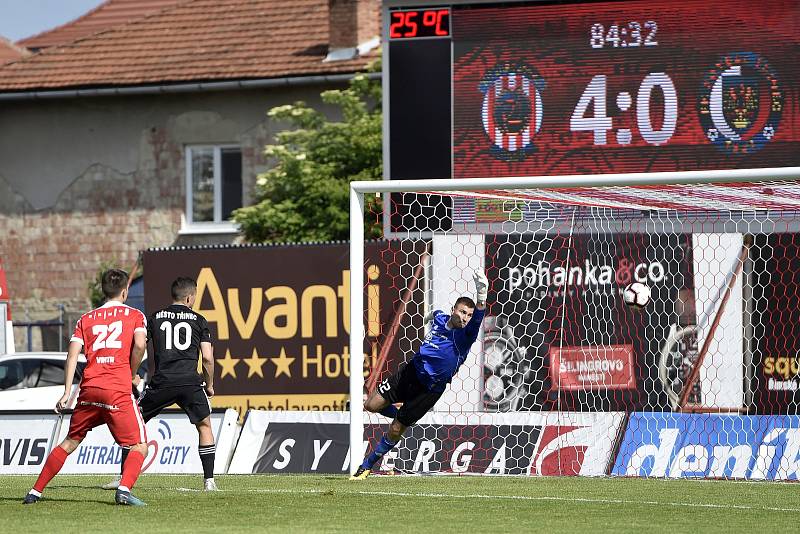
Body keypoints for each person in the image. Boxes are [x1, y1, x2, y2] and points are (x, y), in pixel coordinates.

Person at [23, 269, 149, 505]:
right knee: (140, 445)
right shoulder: (135, 315)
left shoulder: (86, 318)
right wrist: (131, 374)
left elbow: (71, 356)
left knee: (70, 441)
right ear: (125, 292)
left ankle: (34, 491)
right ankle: (123, 489)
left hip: (89, 389)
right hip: (116, 389)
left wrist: (66, 391)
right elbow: (140, 344)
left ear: (103, 291)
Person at [350, 269, 488, 479]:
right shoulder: (442, 318)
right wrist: (429, 316)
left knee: (396, 429)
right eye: (462, 312)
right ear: (454, 310)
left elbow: (477, 320)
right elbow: (437, 313)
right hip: (410, 373)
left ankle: (367, 466)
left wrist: (481, 296)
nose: (465, 318)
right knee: (370, 405)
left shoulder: (464, 337)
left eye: (468, 315)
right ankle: (403, 417)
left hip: (429, 389)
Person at [102, 276, 218, 491]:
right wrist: (209, 384)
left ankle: (122, 478)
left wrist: (131, 374)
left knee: (132, 425)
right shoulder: (199, 320)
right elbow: (208, 358)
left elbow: (138, 347)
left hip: (161, 382)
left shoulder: (154, 318)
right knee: (204, 426)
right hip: (190, 383)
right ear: (190, 298)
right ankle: (209, 481)